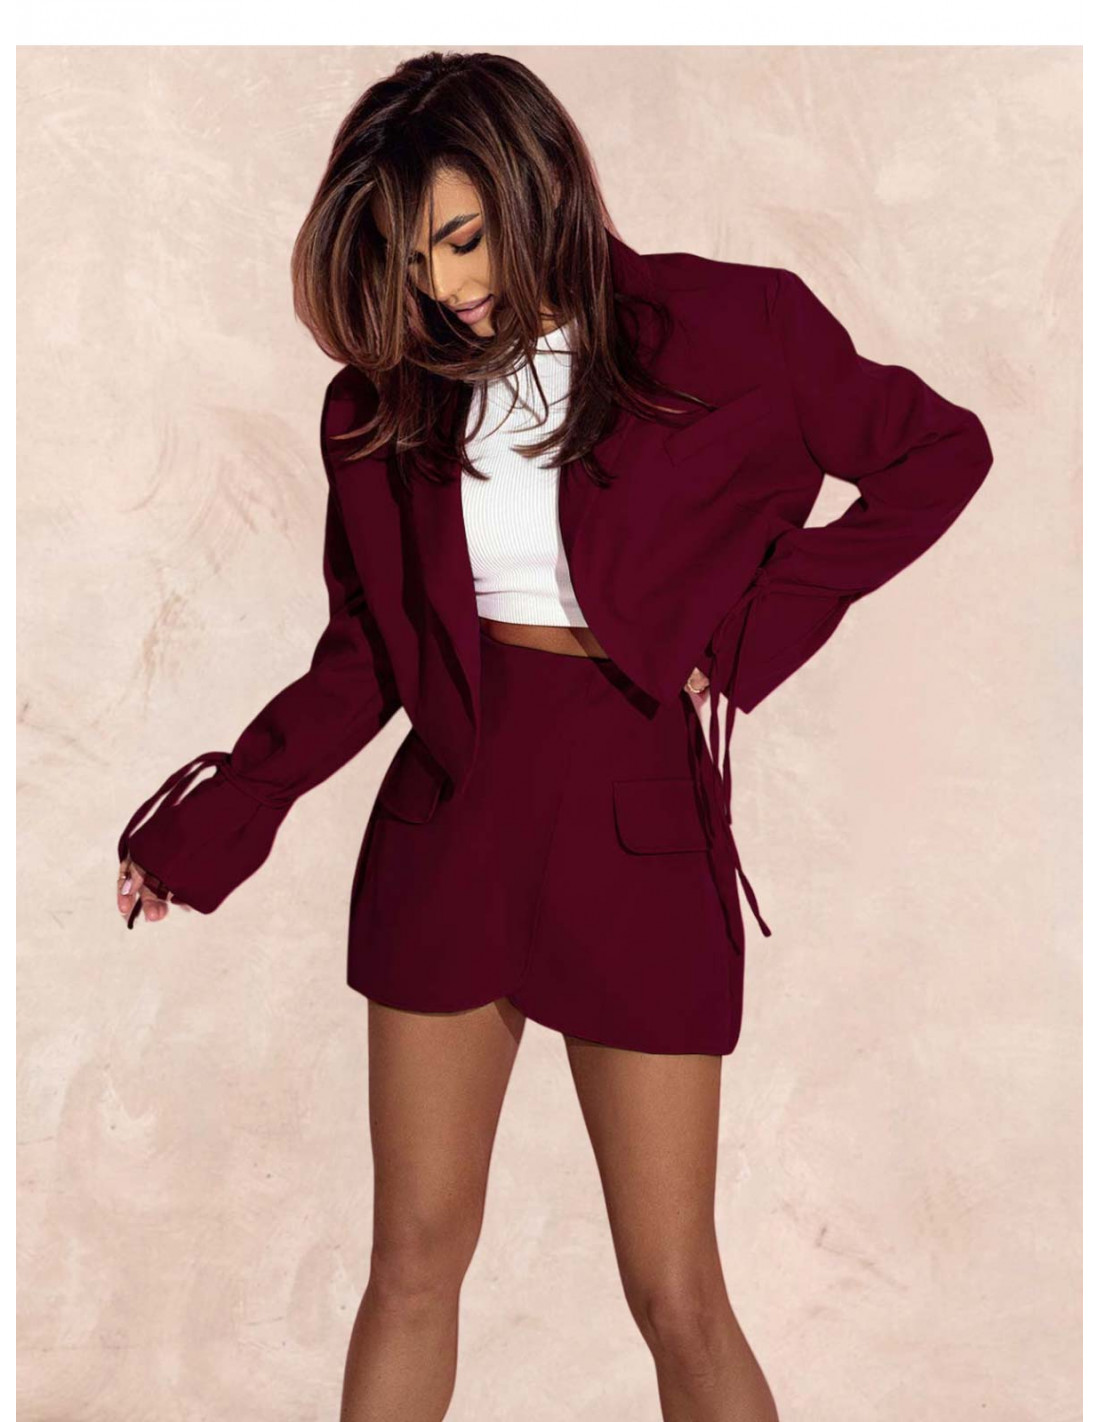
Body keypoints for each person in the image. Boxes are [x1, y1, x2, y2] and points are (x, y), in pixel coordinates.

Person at [114, 50, 993, 1422]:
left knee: (676, 1289)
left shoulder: (734, 327)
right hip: (449, 828)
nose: (443, 287)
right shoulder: (383, 400)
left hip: (636, 826)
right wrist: (210, 822)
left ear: (539, 184)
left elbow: (939, 450)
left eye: (462, 238)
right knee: (412, 1265)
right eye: (411, 259)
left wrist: (747, 636)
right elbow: (366, 654)